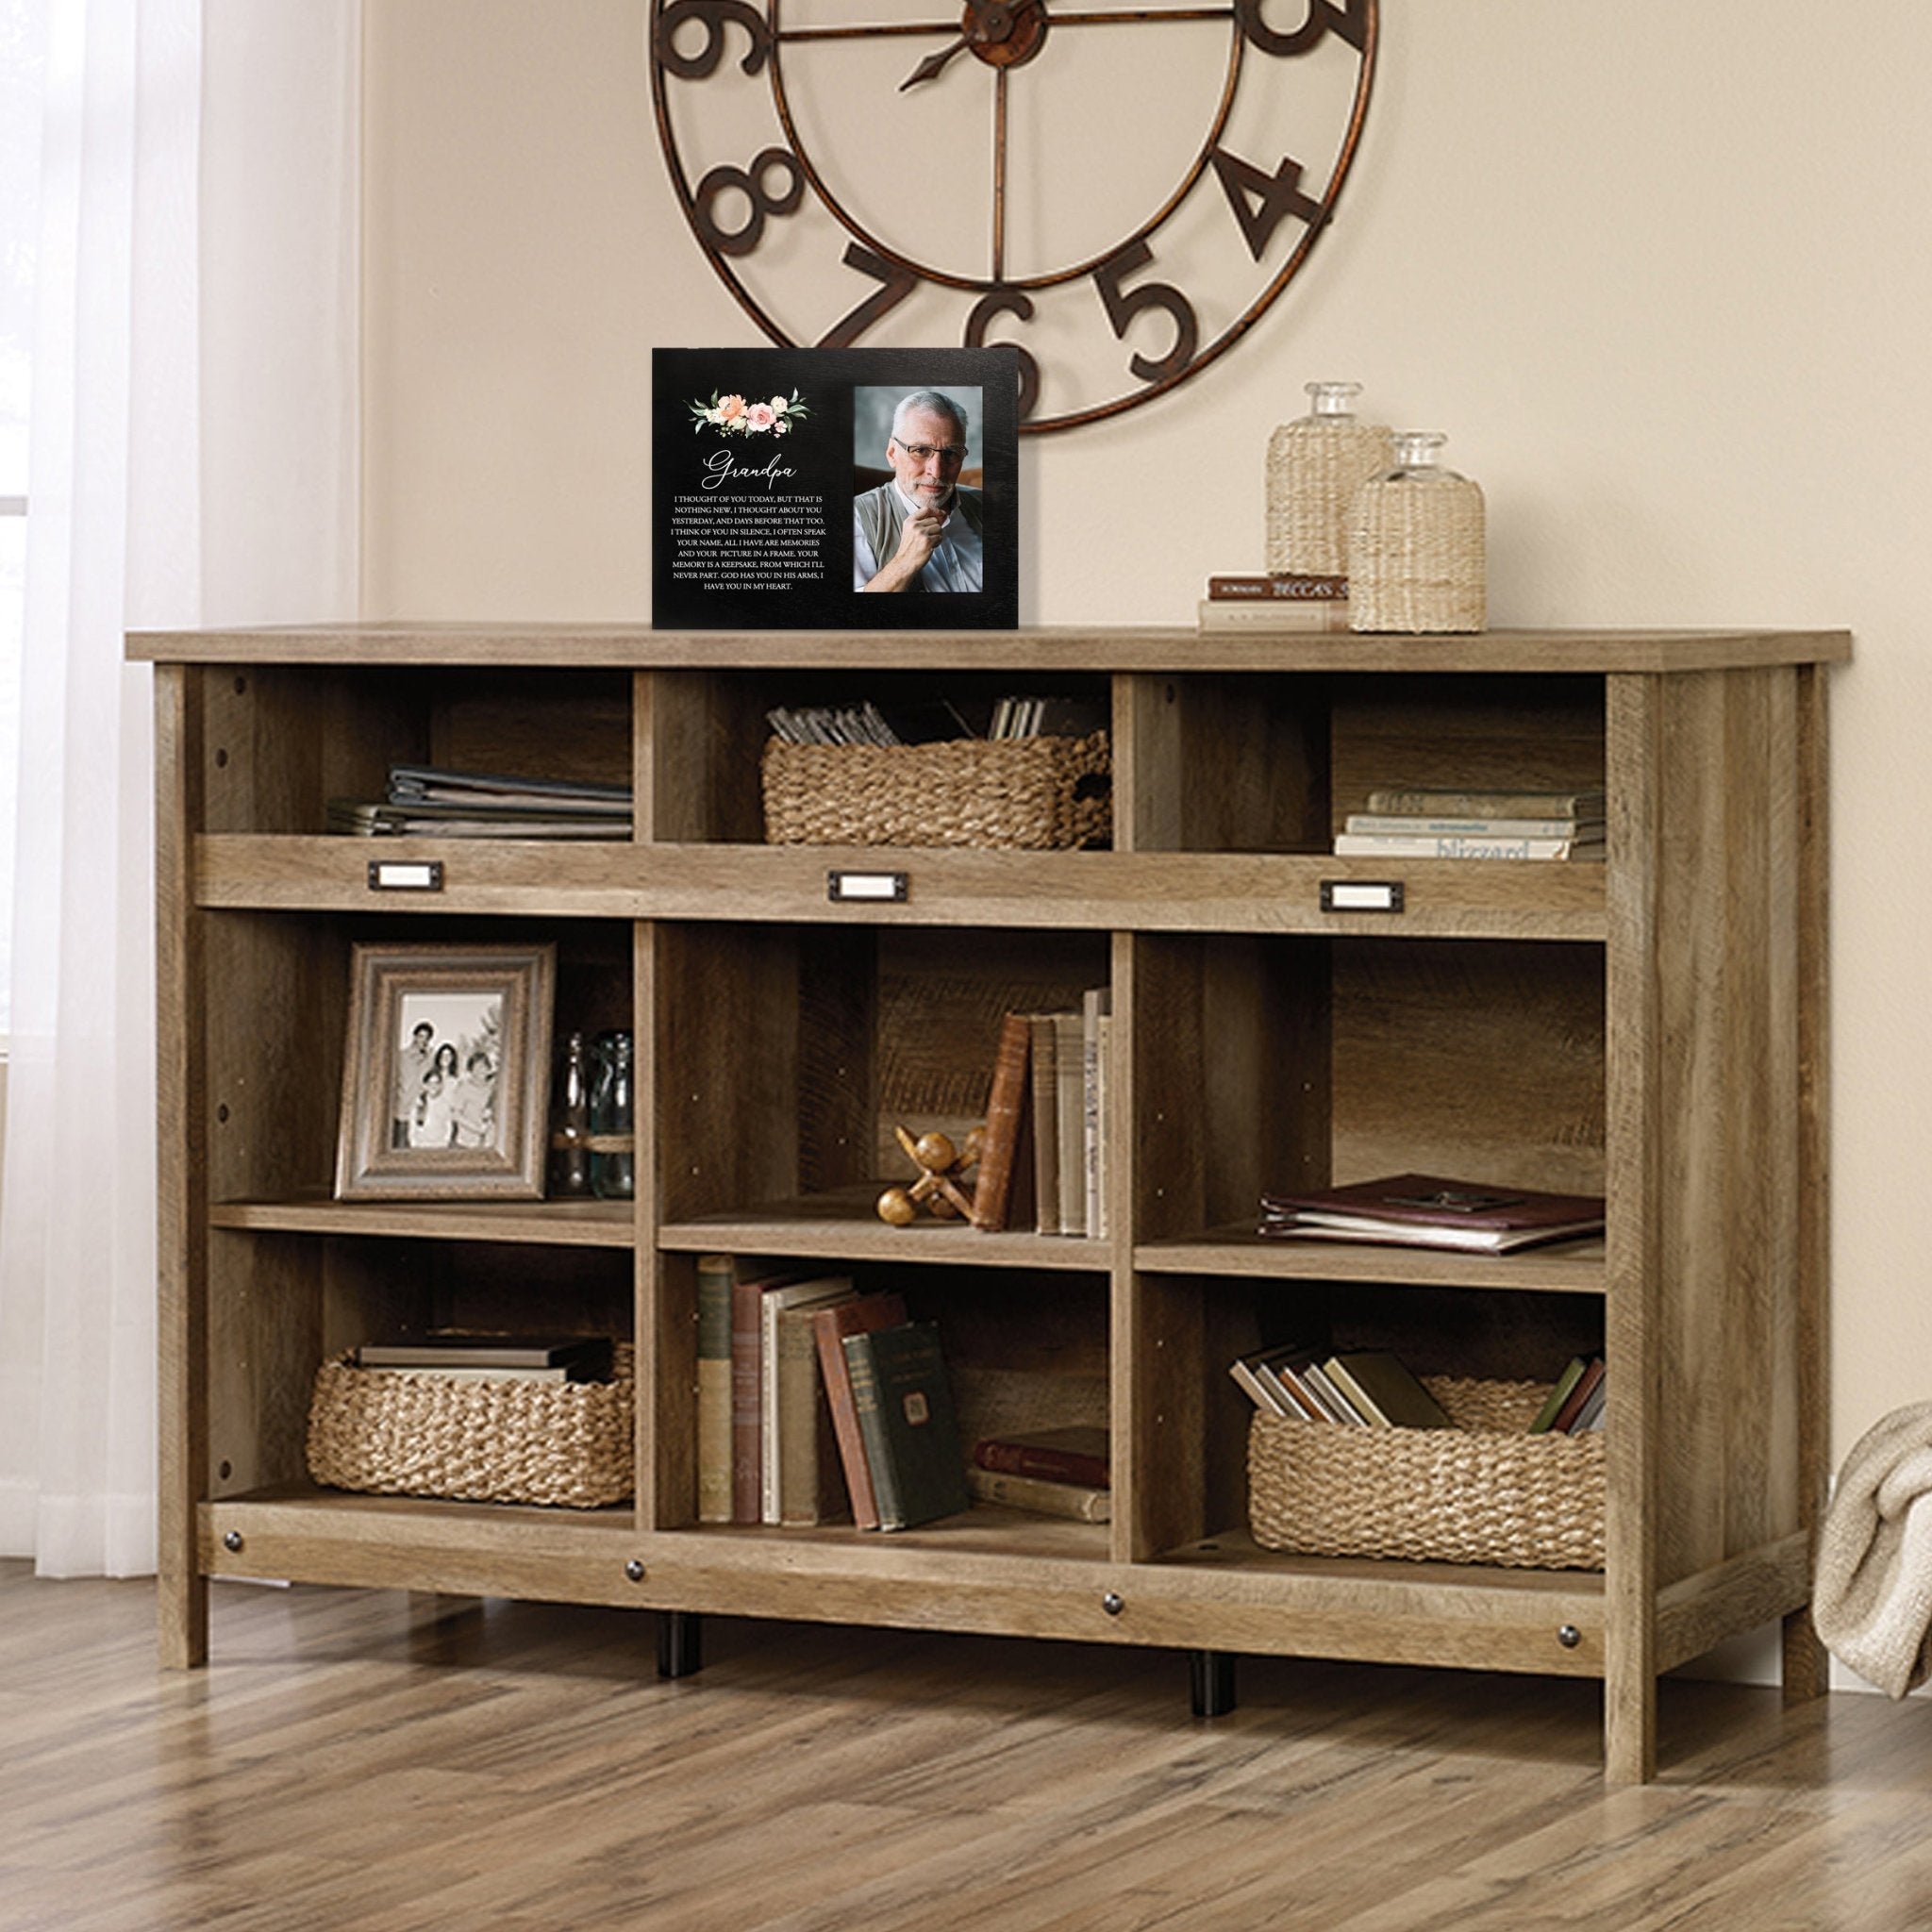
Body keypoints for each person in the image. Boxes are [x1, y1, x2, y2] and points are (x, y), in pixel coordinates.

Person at [853, 391, 984, 593]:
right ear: (892, 453)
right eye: (921, 450)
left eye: (950, 453)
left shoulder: (988, 506)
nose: (936, 471)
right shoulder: (856, 518)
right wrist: (904, 563)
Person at [392, 1021, 434, 1147]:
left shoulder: (428, 1060)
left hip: (418, 1113)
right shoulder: (401, 1056)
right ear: (414, 1036)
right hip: (401, 1112)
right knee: (399, 1148)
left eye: (426, 1038)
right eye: (421, 1036)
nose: (423, 1040)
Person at [450, 1050, 496, 1150]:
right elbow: (456, 1115)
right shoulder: (463, 1088)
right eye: (477, 1067)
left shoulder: (491, 1088)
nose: (481, 1070)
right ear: (471, 1070)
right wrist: (477, 1129)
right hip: (466, 1143)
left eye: (484, 1066)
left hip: (488, 1143)